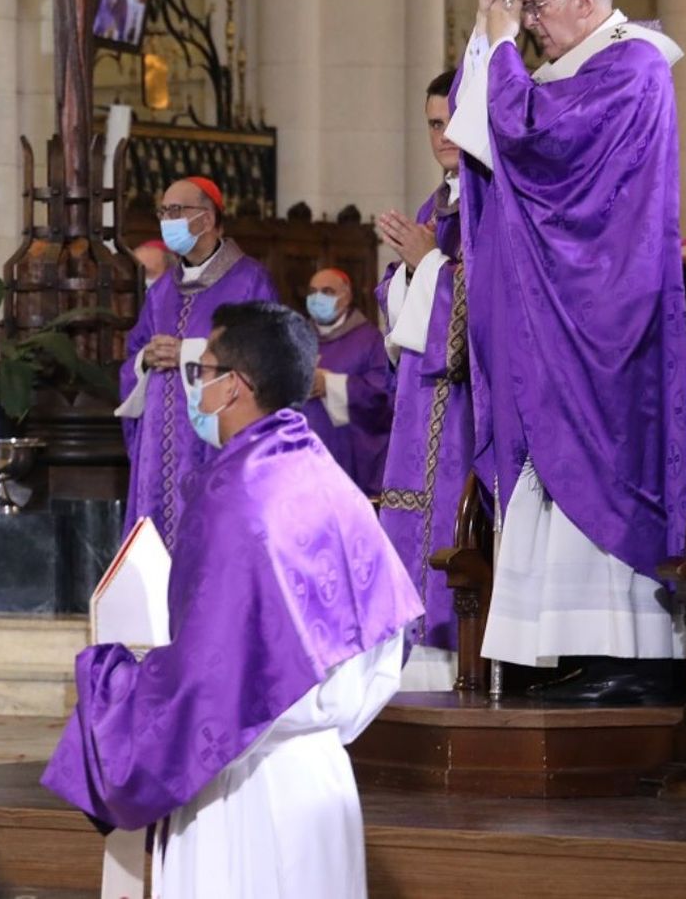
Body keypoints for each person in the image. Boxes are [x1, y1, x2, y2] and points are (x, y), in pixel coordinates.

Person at [43, 302, 422, 899]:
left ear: (235, 387)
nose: (197, 386)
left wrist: (111, 690)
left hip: (238, 788)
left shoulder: (236, 493)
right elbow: (388, 637)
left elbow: (207, 678)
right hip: (323, 777)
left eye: (204, 370)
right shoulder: (326, 476)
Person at [446, 0, 686, 702]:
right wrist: (488, 26)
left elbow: (535, 137)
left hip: (607, 315)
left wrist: (495, 39)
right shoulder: (568, 70)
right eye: (522, 13)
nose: (530, 28)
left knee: (599, 467)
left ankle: (626, 654)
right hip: (557, 317)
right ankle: (562, 647)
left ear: (585, 2)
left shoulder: (633, 66)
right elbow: (484, 129)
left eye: (535, 10)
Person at [374, 68, 472, 691]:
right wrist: (410, 273)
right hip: (418, 395)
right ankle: (405, 649)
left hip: (465, 399)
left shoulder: (497, 199)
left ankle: (452, 646)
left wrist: (429, 264)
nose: (442, 136)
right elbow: (399, 293)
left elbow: (487, 302)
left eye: (452, 122)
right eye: (434, 124)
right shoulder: (430, 206)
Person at [117, 176, 277, 552]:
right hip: (157, 447)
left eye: (175, 211)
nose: (165, 219)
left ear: (205, 219)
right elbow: (133, 352)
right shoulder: (161, 290)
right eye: (163, 211)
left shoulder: (249, 281)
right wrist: (145, 359)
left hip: (214, 441)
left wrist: (188, 354)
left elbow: (267, 353)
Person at [299, 268, 391, 496]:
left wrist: (329, 384)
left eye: (327, 291)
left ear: (346, 296)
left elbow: (383, 395)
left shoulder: (369, 339)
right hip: (301, 455)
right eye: (313, 292)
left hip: (348, 455)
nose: (317, 297)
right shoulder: (297, 336)